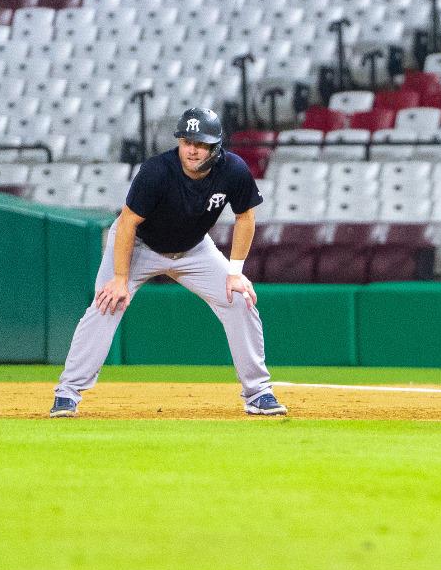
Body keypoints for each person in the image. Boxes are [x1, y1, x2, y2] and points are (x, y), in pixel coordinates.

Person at [49, 106, 285, 418]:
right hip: (139, 246)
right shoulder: (156, 171)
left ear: (215, 147)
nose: (191, 149)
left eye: (200, 143)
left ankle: (258, 392)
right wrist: (120, 278)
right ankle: (67, 393)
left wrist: (235, 272)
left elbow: (245, 218)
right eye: (187, 141)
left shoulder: (234, 170)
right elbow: (128, 223)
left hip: (193, 249)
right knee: (107, 302)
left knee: (239, 298)